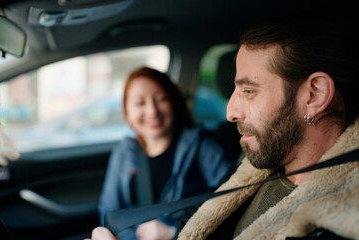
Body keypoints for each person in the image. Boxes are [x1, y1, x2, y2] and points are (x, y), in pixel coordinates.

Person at [88, 15, 359, 240]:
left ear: (314, 95)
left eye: (249, 91)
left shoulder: (341, 218)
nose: (230, 112)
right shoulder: (256, 164)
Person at [97, 67, 236, 240]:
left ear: (173, 103)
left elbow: (232, 196)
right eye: (140, 103)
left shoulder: (200, 144)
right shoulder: (124, 151)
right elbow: (109, 213)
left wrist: (174, 230)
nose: (152, 111)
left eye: (161, 99)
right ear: (127, 110)